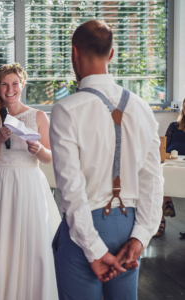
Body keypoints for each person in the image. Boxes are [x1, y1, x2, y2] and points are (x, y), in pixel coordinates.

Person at [50, 20, 164, 300]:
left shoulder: (66, 110)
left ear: (74, 53)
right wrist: (141, 236)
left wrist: (95, 250)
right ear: (111, 54)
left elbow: (72, 191)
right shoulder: (142, 108)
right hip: (130, 226)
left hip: (85, 228)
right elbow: (153, 179)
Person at [0, 63, 60, 300]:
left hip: (29, 184)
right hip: (1, 185)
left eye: (14, 84)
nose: (9, 89)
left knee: (33, 244)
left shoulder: (38, 116)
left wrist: (39, 148)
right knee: (2, 243)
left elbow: (50, 158)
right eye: (4, 84)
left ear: (22, 85)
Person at [155, 98, 185, 236]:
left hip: (183, 162)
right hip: (171, 160)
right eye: (184, 107)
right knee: (160, 174)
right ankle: (165, 206)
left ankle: (167, 204)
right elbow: (165, 143)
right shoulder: (174, 125)